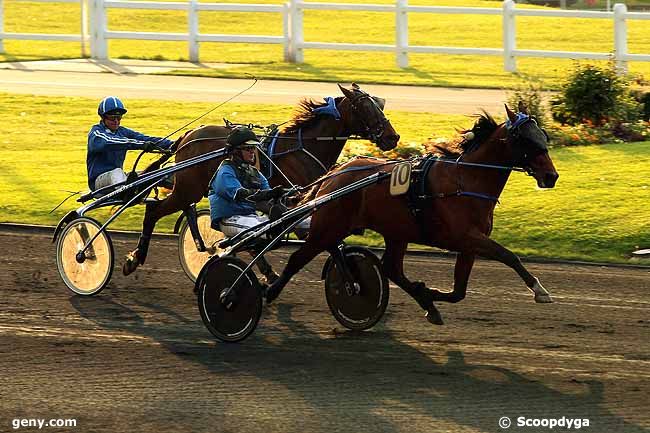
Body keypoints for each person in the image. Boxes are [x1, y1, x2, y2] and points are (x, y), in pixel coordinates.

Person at [208, 127, 287, 238]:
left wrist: (281, 194)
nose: (253, 152)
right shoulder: (225, 171)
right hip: (231, 218)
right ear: (236, 151)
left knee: (288, 221)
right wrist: (266, 194)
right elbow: (239, 194)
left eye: (253, 148)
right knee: (267, 231)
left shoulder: (254, 172)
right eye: (248, 148)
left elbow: (268, 193)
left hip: (251, 217)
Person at [87, 96, 175, 191]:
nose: (116, 121)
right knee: (117, 172)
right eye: (112, 118)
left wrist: (175, 144)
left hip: (120, 179)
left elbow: (146, 139)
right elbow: (111, 141)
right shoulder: (96, 133)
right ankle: (128, 192)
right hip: (99, 183)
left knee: (155, 174)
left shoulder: (123, 132)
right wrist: (141, 145)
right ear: (103, 117)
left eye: (119, 117)